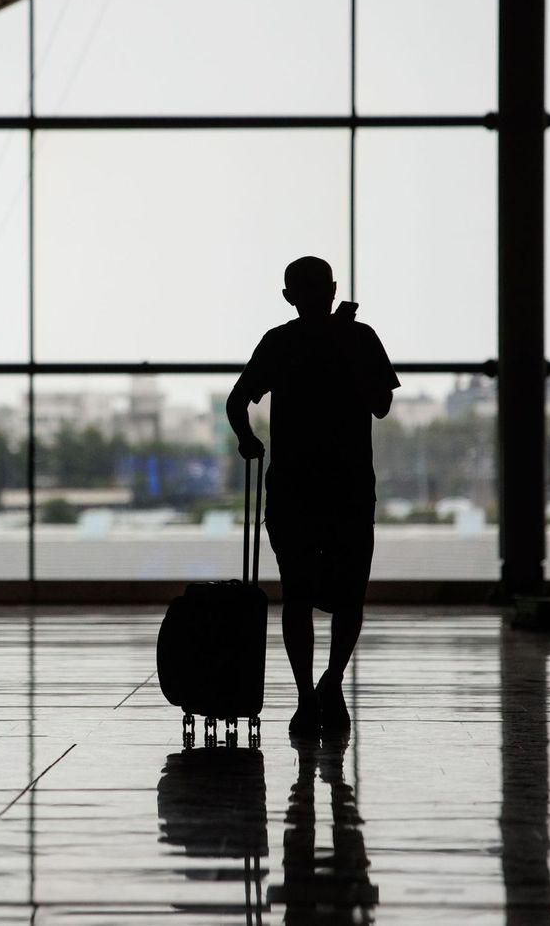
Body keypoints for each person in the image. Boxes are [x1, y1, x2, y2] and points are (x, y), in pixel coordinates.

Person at [227, 256, 398, 738]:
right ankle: (332, 683)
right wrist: (344, 348)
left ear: (288, 297)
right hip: (348, 489)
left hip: (293, 490)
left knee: (297, 596)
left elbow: (237, 400)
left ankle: (306, 696)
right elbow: (381, 405)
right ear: (333, 288)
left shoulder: (281, 344)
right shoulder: (359, 338)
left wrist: (248, 440)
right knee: (350, 596)